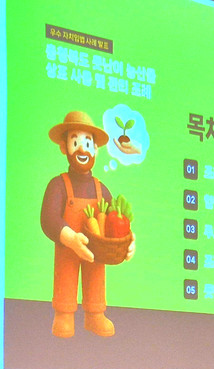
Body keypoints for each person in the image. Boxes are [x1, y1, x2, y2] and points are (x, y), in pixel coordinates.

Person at [41, 110, 135, 338]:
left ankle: (95, 314)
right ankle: (64, 314)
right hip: (67, 248)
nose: (82, 149)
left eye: (87, 143)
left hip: (97, 250)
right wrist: (70, 238)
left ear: (95, 149)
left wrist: (129, 240)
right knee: (65, 274)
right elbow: (49, 219)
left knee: (96, 276)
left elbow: (116, 219)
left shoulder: (101, 189)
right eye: (75, 142)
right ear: (64, 148)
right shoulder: (58, 185)